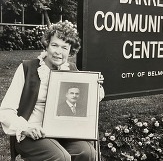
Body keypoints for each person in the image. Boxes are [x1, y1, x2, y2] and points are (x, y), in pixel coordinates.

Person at [0, 20, 105, 161]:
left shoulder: (71, 69)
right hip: (32, 131)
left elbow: (90, 98)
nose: (58, 52)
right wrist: (25, 128)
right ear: (47, 45)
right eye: (54, 45)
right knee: (60, 157)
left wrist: (95, 85)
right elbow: (6, 110)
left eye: (64, 48)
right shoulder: (28, 68)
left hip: (63, 132)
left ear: (70, 51)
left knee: (87, 152)